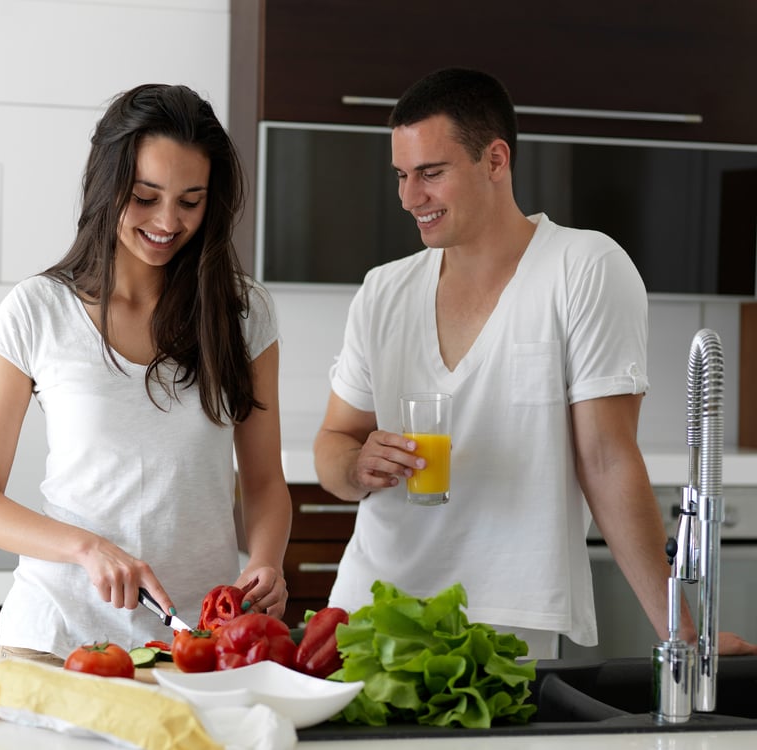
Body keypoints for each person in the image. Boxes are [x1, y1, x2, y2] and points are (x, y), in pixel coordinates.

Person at [313, 67, 757, 659]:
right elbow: (333, 445)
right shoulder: (382, 291)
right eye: (401, 175)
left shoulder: (584, 268)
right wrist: (356, 464)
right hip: (371, 609)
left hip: (509, 620)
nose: (408, 197)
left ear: (495, 160)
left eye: (431, 173)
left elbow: (606, 459)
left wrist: (682, 634)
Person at [0, 83, 292, 664]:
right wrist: (87, 548)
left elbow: (262, 483)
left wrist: (265, 560)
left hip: (197, 642)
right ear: (107, 186)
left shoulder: (242, 314)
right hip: (58, 637)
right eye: (145, 196)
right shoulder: (37, 310)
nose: (168, 221)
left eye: (191, 201)